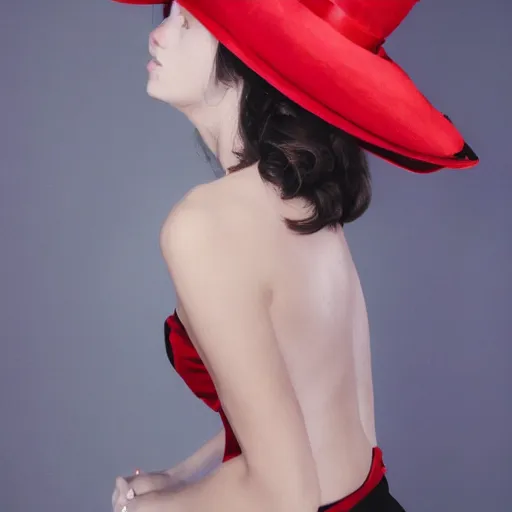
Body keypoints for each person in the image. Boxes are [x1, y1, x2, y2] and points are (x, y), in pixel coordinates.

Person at [110, 1, 479, 511]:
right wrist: (181, 479)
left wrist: (142, 509)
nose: (158, 34)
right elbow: (307, 409)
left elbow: (285, 495)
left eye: (188, 21)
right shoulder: (300, 205)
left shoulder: (203, 225)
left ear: (244, 58)